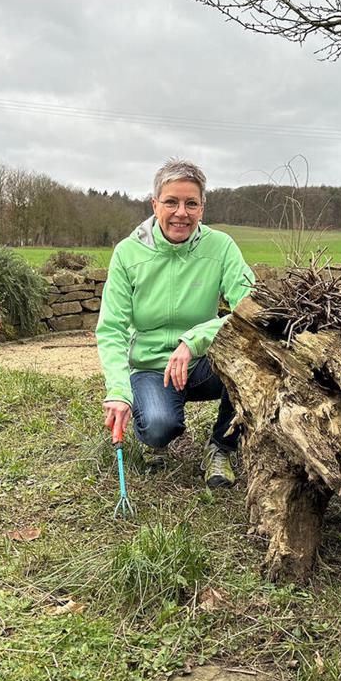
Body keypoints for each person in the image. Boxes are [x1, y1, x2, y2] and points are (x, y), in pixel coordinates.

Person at [96, 159, 255, 488]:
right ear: (155, 204)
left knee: (254, 360)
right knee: (158, 427)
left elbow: (251, 307)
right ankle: (159, 428)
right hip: (152, 368)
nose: (181, 212)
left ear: (202, 208)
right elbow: (111, 329)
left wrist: (195, 340)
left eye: (191, 203)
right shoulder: (128, 253)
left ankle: (221, 447)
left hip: (203, 362)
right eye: (171, 202)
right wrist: (118, 391)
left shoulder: (221, 247)